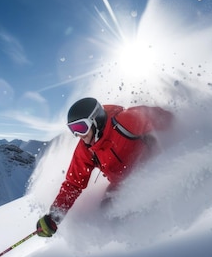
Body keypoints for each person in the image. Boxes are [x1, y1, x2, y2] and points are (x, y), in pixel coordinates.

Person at [36, 97, 173, 237]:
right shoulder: (86, 150)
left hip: (152, 169)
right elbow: (73, 183)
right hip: (121, 185)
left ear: (95, 120)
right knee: (106, 213)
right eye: (73, 129)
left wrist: (181, 133)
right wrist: (54, 217)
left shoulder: (127, 121)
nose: (78, 135)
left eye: (81, 128)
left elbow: (166, 120)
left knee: (147, 205)